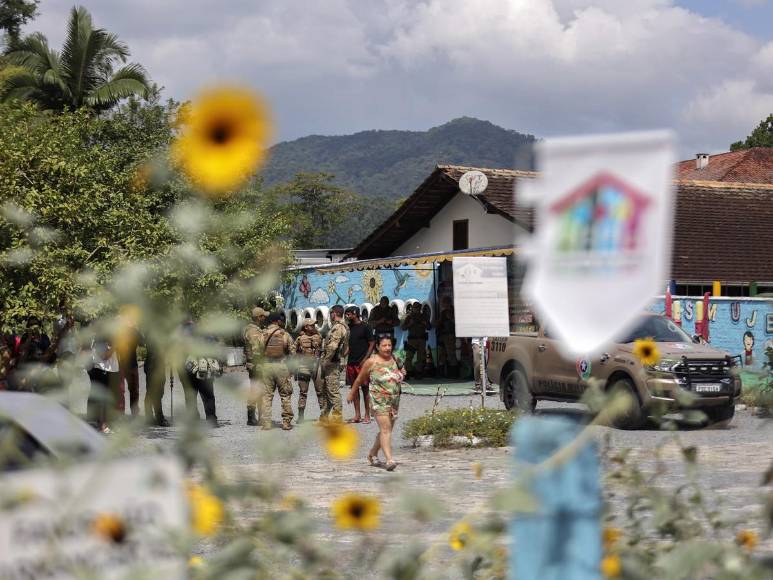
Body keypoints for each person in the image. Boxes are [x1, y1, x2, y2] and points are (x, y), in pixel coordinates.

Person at [347, 335, 404, 471]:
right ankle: (389, 460)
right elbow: (359, 379)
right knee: (385, 430)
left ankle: (372, 454)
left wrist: (401, 374)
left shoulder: (395, 358)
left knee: (387, 430)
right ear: (378, 347)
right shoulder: (371, 362)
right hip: (378, 400)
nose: (387, 348)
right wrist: (352, 393)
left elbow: (401, 371)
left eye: (389, 345)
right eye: (384, 345)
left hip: (394, 400)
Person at [180, 319, 220, 427]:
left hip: (187, 368)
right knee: (208, 395)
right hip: (204, 366)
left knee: (190, 395)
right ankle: (211, 420)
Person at [260, 311, 294, 430]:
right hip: (281, 367)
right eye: (281, 320)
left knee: (266, 396)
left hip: (266, 367)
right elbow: (292, 353)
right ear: (277, 321)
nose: (282, 321)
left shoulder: (263, 334)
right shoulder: (285, 334)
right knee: (285, 395)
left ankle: (266, 423)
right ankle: (286, 422)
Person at [344, 305, 374, 424]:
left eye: (349, 314)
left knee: (365, 389)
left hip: (363, 364)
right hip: (351, 362)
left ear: (355, 313)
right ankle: (357, 415)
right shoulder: (348, 328)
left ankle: (367, 415)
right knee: (354, 389)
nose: (347, 316)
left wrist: (366, 359)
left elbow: (372, 343)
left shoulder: (366, 327)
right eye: (346, 314)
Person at [87, 334, 122, 434]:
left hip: (113, 370)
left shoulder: (110, 338)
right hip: (102, 370)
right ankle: (103, 425)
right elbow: (104, 356)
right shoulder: (99, 339)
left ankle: (107, 423)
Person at [320, 305, 349, 421]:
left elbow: (332, 346)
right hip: (333, 362)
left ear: (335, 313)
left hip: (332, 363)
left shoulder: (338, 327)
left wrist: (325, 361)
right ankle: (324, 417)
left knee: (333, 391)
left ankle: (337, 419)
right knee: (327, 390)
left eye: (331, 312)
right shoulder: (342, 327)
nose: (330, 315)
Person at [293, 316, 323, 423]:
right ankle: (301, 417)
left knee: (320, 391)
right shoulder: (299, 339)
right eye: (312, 325)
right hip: (303, 366)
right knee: (303, 392)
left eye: (314, 325)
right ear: (306, 327)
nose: (314, 326)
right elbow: (294, 353)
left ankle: (324, 416)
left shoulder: (319, 336)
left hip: (316, 365)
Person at [243, 307, 267, 426]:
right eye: (263, 316)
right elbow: (256, 350)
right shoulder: (253, 331)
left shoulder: (253, 329)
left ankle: (253, 417)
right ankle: (252, 418)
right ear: (259, 317)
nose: (265, 317)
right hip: (257, 365)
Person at [117, 313, 143, 417]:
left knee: (132, 390)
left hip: (131, 364)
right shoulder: (120, 332)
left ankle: (134, 413)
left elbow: (142, 342)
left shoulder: (134, 331)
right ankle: (123, 414)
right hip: (122, 364)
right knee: (124, 391)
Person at [401, 302, 431, 380]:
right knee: (409, 356)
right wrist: (410, 324)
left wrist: (425, 324)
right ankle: (408, 372)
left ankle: (418, 373)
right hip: (412, 340)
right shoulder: (409, 317)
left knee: (420, 357)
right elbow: (403, 328)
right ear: (413, 308)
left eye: (418, 308)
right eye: (415, 308)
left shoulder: (424, 317)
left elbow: (429, 327)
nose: (417, 309)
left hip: (422, 339)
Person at [143, 339, 169, 427]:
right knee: (154, 393)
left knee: (156, 393)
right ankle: (159, 418)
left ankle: (150, 417)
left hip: (158, 366)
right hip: (153, 367)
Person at [437, 299, 458, 378]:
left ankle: (453, 373)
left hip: (450, 335)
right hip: (443, 335)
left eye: (444, 303)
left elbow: (455, 322)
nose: (443, 304)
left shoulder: (453, 311)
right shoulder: (443, 312)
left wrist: (450, 318)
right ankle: (442, 373)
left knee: (451, 354)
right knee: (442, 355)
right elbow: (440, 323)